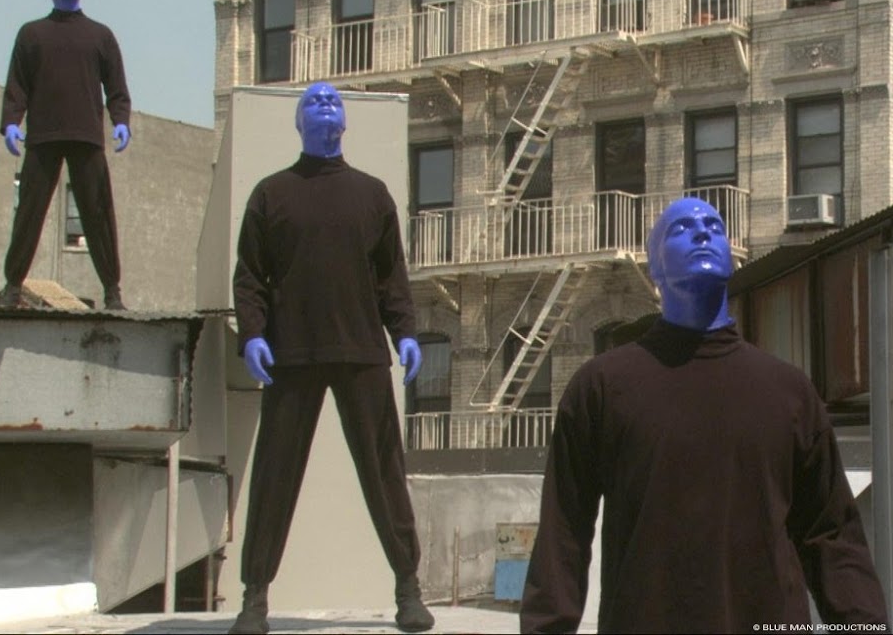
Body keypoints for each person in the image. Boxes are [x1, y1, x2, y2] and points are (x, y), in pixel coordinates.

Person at [520, 197, 890, 633]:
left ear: (730, 260)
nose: (702, 232)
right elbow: (563, 532)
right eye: (680, 229)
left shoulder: (789, 392)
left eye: (715, 228)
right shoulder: (601, 387)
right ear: (655, 268)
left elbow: (831, 535)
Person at [230, 82, 435, 635]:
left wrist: (406, 333)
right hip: (291, 352)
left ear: (344, 121)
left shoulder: (373, 194)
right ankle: (254, 598)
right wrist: (252, 335)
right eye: (313, 100)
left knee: (384, 472)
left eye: (333, 100)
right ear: (298, 122)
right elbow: (249, 276)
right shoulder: (271, 194)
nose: (325, 102)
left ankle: (408, 590)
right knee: (274, 476)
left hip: (361, 349)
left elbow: (392, 277)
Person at [0, 0, 131, 310]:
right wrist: (11, 123)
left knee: (98, 212)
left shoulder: (100, 35)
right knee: (29, 211)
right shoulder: (31, 34)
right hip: (43, 137)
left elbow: (116, 86)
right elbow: (17, 85)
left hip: (86, 135)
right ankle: (13, 286)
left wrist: (121, 121)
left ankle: (112, 291)